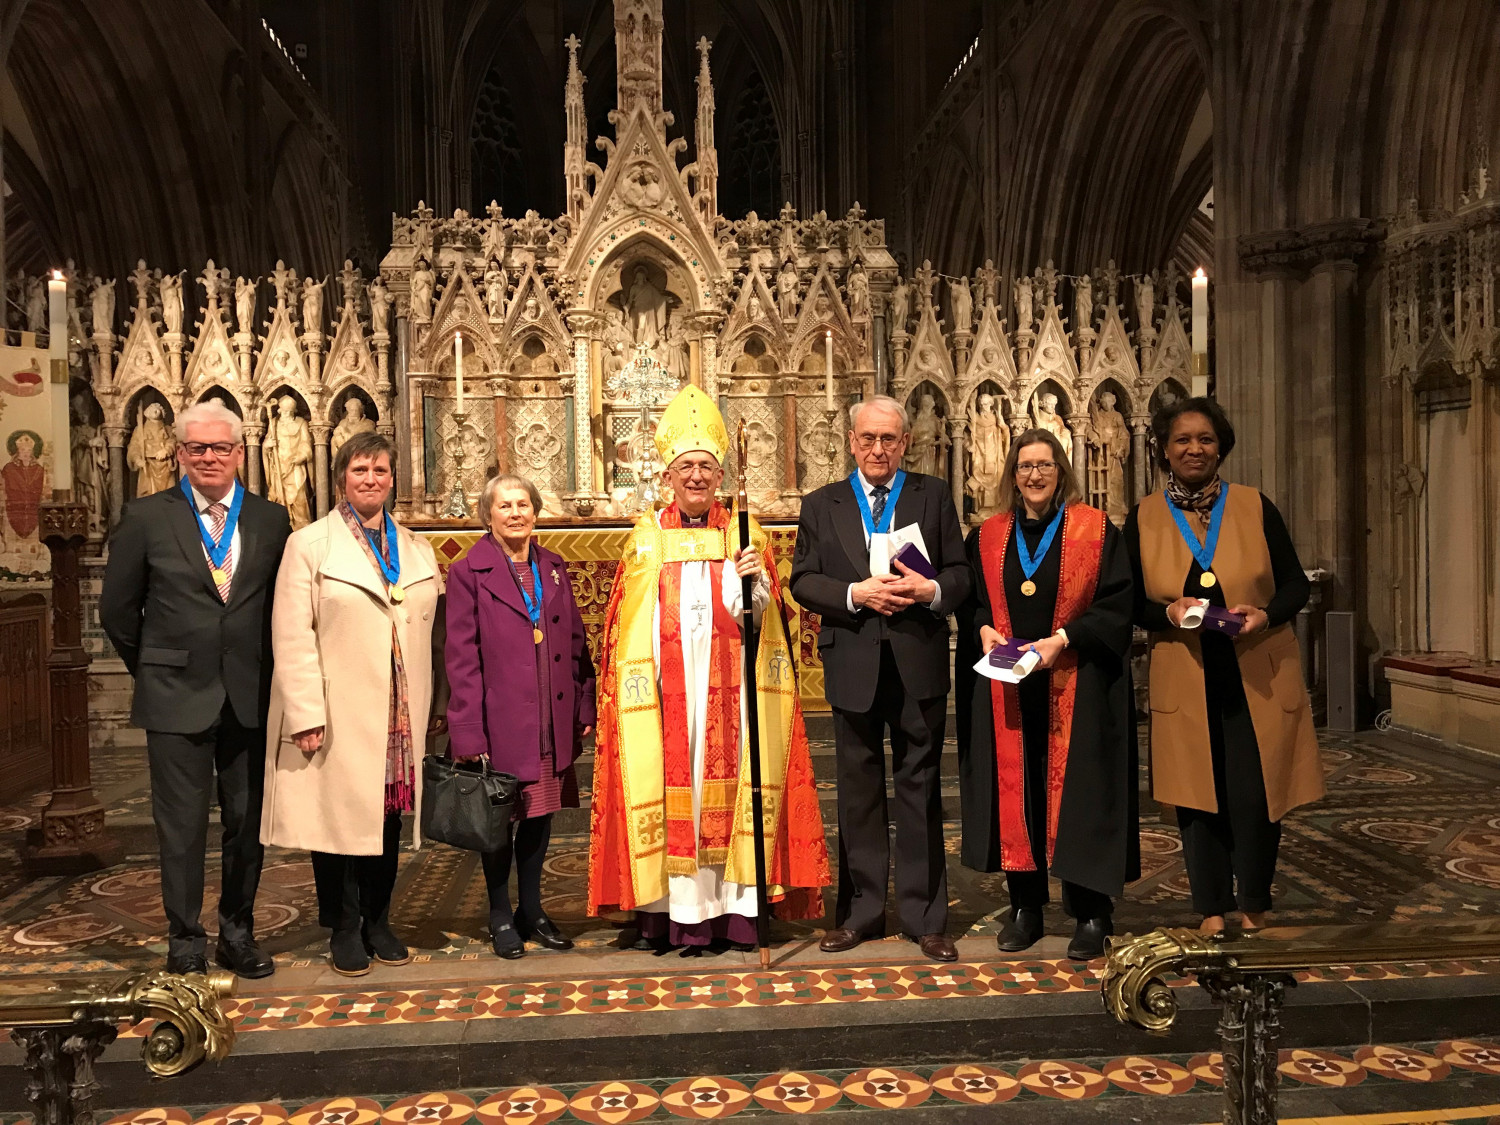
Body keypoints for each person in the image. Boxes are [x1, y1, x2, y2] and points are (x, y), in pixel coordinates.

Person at [589, 384, 829, 952]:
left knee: (729, 790)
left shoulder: (746, 534)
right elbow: (628, 621)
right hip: (669, 697)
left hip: (733, 692)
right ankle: (678, 912)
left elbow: (767, 624)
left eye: (705, 466)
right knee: (677, 790)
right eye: (686, 467)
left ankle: (737, 911)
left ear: (719, 475)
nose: (696, 476)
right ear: (668, 475)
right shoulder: (647, 537)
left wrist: (756, 583)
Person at [100, 399, 292, 977]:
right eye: (197, 448)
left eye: (220, 447)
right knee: (180, 828)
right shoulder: (145, 517)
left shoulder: (269, 519)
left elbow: (279, 608)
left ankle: (238, 932)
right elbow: (116, 611)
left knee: (246, 823)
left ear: (240, 452)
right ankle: (185, 939)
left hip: (249, 694)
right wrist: (158, 669)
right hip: (175, 695)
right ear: (180, 453)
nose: (209, 457)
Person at [1125, 397, 1322, 934]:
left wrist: (1264, 613)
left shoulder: (1256, 505)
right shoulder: (1142, 515)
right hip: (1186, 673)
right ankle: (1211, 907)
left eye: (1206, 439)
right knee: (1196, 796)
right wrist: (1166, 610)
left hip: (1255, 670)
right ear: (1164, 450)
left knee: (1257, 794)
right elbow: (1127, 602)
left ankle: (1255, 902)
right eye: (1183, 440)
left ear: (1221, 448)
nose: (1195, 449)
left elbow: (1294, 585)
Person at [790, 395, 971, 962]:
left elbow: (961, 573)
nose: (878, 449)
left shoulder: (932, 495)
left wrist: (931, 590)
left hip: (916, 658)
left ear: (905, 442)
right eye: (867, 438)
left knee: (920, 790)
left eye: (889, 439)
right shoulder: (822, 503)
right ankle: (860, 914)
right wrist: (853, 593)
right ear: (850, 441)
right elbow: (802, 580)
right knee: (858, 793)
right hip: (853, 661)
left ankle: (925, 917)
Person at [262, 431, 444, 975]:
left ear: (393, 480)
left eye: (381, 471)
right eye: (361, 470)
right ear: (342, 476)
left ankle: (378, 919)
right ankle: (343, 926)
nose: (371, 479)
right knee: (336, 821)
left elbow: (430, 630)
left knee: (385, 817)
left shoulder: (414, 546)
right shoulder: (310, 544)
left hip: (397, 707)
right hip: (339, 707)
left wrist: (434, 703)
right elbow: (291, 633)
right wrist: (305, 712)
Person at [955, 429, 1137, 961]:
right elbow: (971, 602)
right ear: (1012, 474)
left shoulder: (1097, 531)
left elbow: (1118, 604)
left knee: (1081, 795)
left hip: (1078, 685)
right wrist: (984, 628)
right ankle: (1026, 909)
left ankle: (1091, 913)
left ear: (1062, 471)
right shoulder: (987, 536)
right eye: (1026, 466)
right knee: (1021, 793)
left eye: (1046, 465)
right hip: (1011, 689)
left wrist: (1065, 640)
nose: (1035, 475)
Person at [446, 473, 597, 959]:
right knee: (498, 822)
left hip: (549, 720)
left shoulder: (552, 566)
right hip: (499, 723)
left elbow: (577, 646)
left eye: (523, 505)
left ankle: (532, 909)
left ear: (536, 512)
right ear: (487, 515)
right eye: (504, 505)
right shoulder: (469, 571)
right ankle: (498, 912)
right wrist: (467, 731)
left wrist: (582, 703)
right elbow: (460, 657)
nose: (515, 513)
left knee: (539, 816)